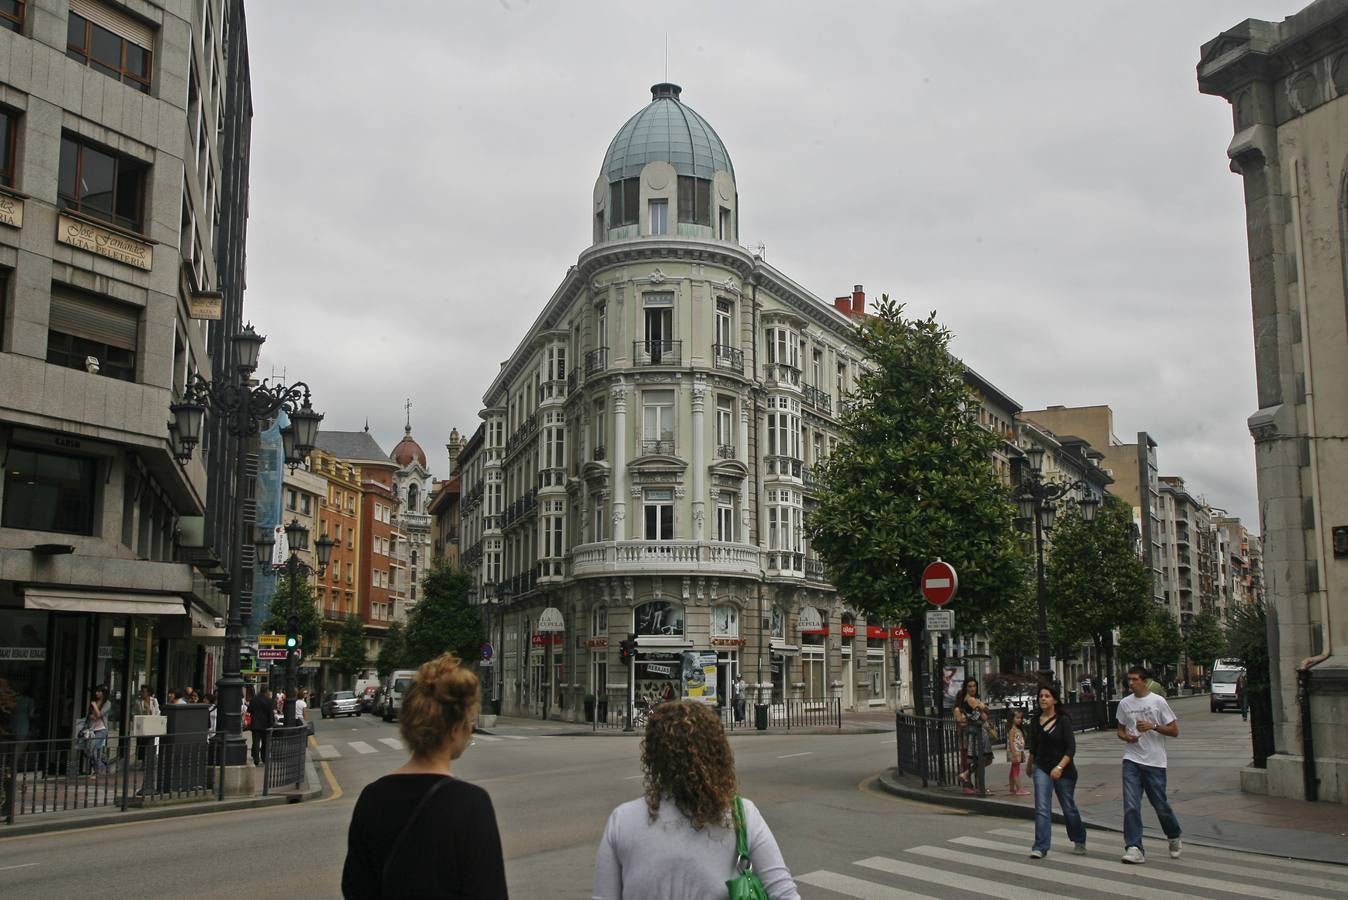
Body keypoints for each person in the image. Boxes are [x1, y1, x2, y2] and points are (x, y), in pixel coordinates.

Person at [593, 700, 799, 899]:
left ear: (654, 757)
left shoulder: (622, 820)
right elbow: (784, 893)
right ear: (718, 753)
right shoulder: (741, 814)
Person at [342, 653, 507, 899]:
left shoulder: (372, 798)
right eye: (469, 721)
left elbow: (355, 888)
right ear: (455, 727)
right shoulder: (470, 804)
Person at [1117, 665, 1182, 864]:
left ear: (1144, 681)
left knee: (1160, 804)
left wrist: (1153, 726)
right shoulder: (1124, 704)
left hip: (1155, 761)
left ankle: (1173, 834)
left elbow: (1174, 730)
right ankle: (1134, 847)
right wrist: (1127, 737)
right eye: (1129, 679)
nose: (1131, 683)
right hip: (1132, 760)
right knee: (1131, 805)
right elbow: (1119, 730)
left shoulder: (1158, 701)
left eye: (1135, 679)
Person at [1025, 683, 1086, 859]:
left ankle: (1079, 838)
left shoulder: (1063, 720)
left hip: (1063, 770)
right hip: (1042, 768)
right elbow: (1034, 747)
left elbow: (1071, 749)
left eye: (1047, 696)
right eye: (1041, 696)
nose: (1042, 699)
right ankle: (1040, 846)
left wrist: (1060, 767)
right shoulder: (1036, 720)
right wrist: (1029, 766)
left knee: (1068, 807)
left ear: (1055, 700)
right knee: (1042, 807)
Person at [952, 677, 992, 795]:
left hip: (977, 734)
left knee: (982, 760)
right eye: (969, 686)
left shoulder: (974, 701)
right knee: (976, 760)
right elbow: (983, 716)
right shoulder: (966, 704)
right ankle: (970, 783)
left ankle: (976, 783)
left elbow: (985, 714)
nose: (972, 688)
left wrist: (981, 707)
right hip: (972, 736)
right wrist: (981, 707)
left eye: (974, 686)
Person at [84, 685, 112, 780]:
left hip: (102, 729)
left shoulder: (107, 703)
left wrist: (95, 706)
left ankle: (98, 770)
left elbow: (100, 714)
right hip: (92, 729)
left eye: (99, 692)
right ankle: (102, 766)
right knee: (91, 750)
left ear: (103, 693)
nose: (97, 693)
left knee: (94, 749)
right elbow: (91, 716)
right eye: (96, 691)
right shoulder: (94, 702)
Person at [248, 688, 275, 767]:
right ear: (266, 692)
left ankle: (256, 759)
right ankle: (264, 758)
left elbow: (249, 710)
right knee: (265, 743)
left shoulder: (254, 699)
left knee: (256, 742)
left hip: (255, 724)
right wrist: (271, 725)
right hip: (266, 725)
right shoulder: (269, 701)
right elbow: (271, 714)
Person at [1006, 708, 1028, 796]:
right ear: (1012, 719)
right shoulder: (1013, 730)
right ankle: (1019, 788)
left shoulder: (1017, 729)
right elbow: (1011, 742)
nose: (1020, 720)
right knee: (1016, 771)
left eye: (1021, 718)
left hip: (1018, 751)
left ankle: (1012, 788)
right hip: (1016, 752)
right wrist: (1014, 752)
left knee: (1013, 770)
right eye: (1017, 718)